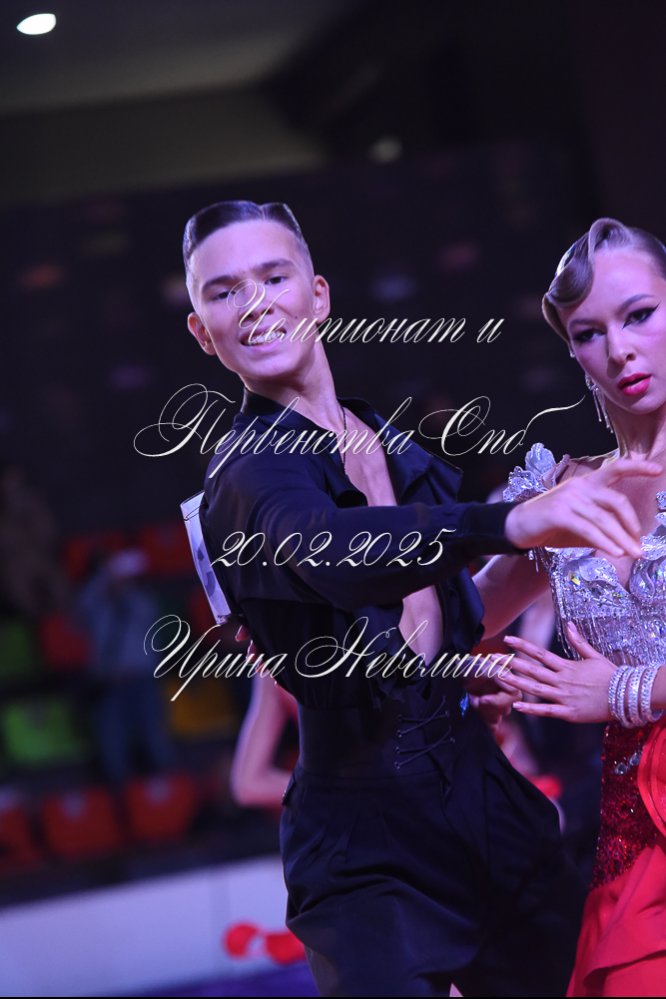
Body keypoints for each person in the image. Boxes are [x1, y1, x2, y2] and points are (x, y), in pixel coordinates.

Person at [180, 200, 658, 996]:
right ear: (203, 330)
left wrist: (456, 674)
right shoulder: (248, 470)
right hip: (367, 847)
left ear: (318, 294)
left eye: (273, 276)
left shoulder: (392, 446)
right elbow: (335, 549)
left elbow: (440, 616)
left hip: (486, 805)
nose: (255, 303)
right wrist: (512, 521)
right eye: (224, 291)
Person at [474, 217, 666, 997]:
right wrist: (307, 612)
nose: (619, 349)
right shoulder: (562, 493)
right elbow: (452, 621)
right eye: (590, 332)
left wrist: (623, 690)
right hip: (635, 839)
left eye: (640, 315)